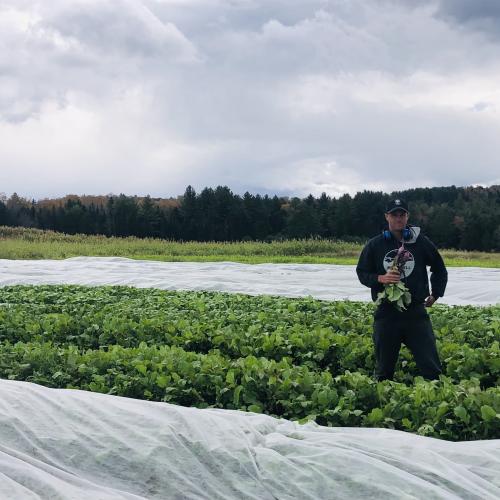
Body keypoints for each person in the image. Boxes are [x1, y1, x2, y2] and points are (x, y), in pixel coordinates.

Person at [356, 198, 448, 381]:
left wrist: (436, 292)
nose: (398, 218)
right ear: (386, 217)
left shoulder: (420, 242)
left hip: (415, 312)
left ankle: (437, 399)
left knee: (431, 368)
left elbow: (439, 267)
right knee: (384, 370)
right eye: (394, 214)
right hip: (386, 313)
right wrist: (380, 278)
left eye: (402, 214)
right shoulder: (375, 245)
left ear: (407, 217)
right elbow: (362, 272)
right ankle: (384, 402)